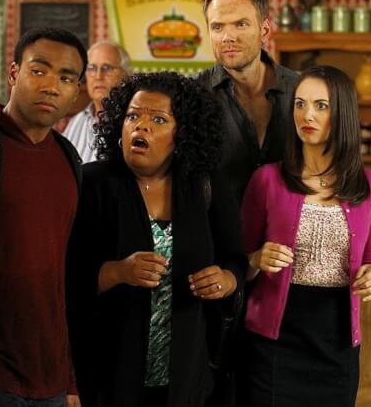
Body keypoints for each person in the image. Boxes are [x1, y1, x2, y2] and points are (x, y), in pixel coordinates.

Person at [66, 72, 246, 407]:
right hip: (107, 377)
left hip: (187, 378)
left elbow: (235, 260)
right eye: (133, 116)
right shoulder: (90, 185)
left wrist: (225, 280)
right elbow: (64, 278)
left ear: (183, 133)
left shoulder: (206, 186)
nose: (141, 126)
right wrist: (118, 271)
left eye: (158, 119)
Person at [0, 28, 87, 407]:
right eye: (39, 71)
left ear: (76, 91)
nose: (51, 86)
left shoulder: (68, 159)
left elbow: (64, 277)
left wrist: (69, 378)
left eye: (66, 78)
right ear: (13, 73)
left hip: (50, 377)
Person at [240, 65, 371, 407]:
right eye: (300, 104)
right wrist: (256, 259)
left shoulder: (370, 186)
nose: (307, 115)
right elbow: (237, 263)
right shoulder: (266, 180)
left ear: (343, 113)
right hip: (273, 343)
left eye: (321, 105)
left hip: (337, 345)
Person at [197, 0, 298, 202]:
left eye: (240, 24)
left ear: (265, 31)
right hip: (218, 224)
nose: (228, 37)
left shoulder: (300, 89)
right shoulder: (193, 95)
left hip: (288, 223)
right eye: (217, 27)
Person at [63, 40, 131, 162]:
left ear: (125, 75)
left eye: (107, 68)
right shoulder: (77, 121)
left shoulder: (131, 125)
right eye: (92, 68)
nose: (98, 76)